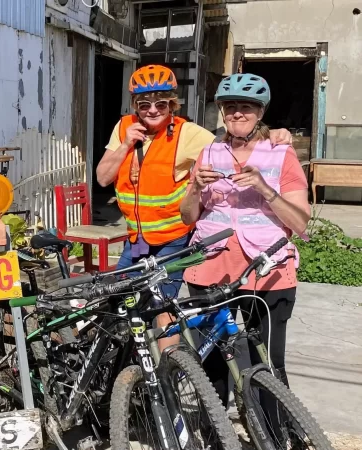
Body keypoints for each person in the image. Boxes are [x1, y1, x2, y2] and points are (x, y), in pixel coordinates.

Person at [95, 65, 293, 350]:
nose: (152, 110)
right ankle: (124, 372)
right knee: (118, 305)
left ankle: (166, 379)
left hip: (173, 240)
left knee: (163, 309)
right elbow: (103, 177)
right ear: (134, 105)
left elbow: (233, 142)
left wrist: (271, 134)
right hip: (136, 240)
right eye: (144, 104)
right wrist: (126, 144)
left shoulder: (187, 133)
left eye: (161, 103)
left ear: (172, 104)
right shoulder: (124, 127)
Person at [179, 73, 310, 406]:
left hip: (268, 271)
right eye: (230, 107)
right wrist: (195, 187)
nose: (237, 114)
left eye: (246, 108)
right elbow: (188, 217)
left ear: (260, 112)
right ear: (222, 111)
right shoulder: (208, 153)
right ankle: (215, 432)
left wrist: (265, 189)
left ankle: (274, 433)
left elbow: (300, 221)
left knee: (266, 363)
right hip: (211, 267)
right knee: (211, 361)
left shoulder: (281, 154)